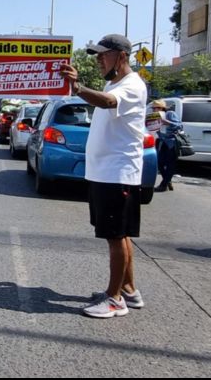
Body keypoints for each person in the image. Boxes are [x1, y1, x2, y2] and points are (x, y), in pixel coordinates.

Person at [59, 34, 148, 319]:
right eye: (96, 56)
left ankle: (114, 299)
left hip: (116, 173)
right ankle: (129, 290)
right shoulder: (115, 82)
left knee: (115, 235)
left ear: (121, 56)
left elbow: (109, 102)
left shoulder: (131, 85)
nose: (98, 60)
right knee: (120, 234)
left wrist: (77, 86)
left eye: (103, 55)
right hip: (106, 172)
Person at [151, 99, 183, 192]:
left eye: (156, 108)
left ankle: (163, 184)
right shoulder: (155, 116)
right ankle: (167, 180)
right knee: (160, 163)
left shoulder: (170, 114)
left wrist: (166, 122)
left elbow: (179, 126)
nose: (154, 110)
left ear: (162, 108)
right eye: (153, 108)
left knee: (170, 164)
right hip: (162, 142)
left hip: (172, 142)